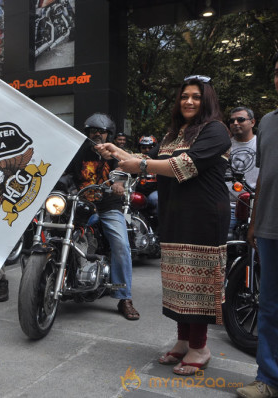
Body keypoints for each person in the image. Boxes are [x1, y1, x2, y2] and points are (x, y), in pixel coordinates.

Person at [96, 75, 231, 376]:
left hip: (204, 216)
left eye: (196, 96)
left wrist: (141, 165)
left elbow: (185, 165)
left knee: (197, 283)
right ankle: (184, 342)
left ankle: (201, 347)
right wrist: (118, 153)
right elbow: (149, 160)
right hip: (175, 214)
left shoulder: (216, 130)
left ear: (206, 100)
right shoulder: (175, 132)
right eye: (184, 96)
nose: (189, 101)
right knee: (178, 282)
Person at [67, 112, 139, 321]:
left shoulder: (116, 154)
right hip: (81, 205)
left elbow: (126, 170)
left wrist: (119, 183)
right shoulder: (77, 153)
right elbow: (66, 174)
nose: (97, 134)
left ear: (109, 134)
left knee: (120, 244)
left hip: (108, 207)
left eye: (101, 131)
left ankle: (124, 297)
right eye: (93, 131)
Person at [236, 54, 278, 398]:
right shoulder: (268, 122)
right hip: (268, 228)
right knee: (269, 306)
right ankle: (268, 378)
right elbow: (263, 175)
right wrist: (253, 221)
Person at [225, 106, 258, 236]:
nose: (235, 123)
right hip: (229, 206)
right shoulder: (224, 145)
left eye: (241, 119)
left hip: (256, 206)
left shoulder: (261, 143)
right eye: (232, 121)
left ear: (252, 122)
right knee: (227, 246)